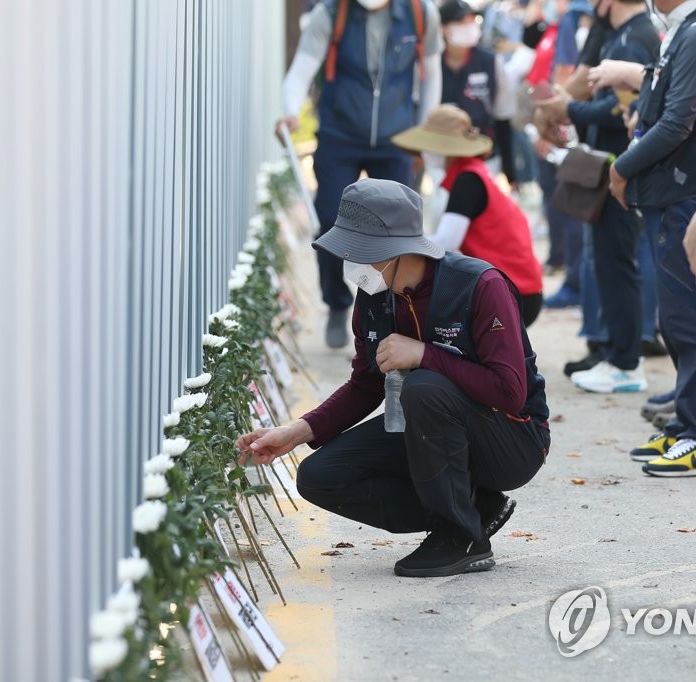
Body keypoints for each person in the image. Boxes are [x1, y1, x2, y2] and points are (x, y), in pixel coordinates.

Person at [236, 179, 551, 578]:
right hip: (432, 430)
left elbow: (510, 392)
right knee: (319, 477)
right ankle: (470, 508)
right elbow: (365, 383)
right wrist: (296, 433)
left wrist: (424, 355)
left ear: (396, 249)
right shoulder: (375, 295)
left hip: (513, 439)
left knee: (423, 387)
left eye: (358, 251)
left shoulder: (480, 285)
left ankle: (461, 537)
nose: (350, 263)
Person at [607, 0, 696, 476]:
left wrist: (622, 168)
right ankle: (692, 425)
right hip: (675, 192)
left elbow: (678, 122)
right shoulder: (691, 28)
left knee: (691, 321)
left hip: (686, 193)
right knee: (679, 319)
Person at [277, 0, 443, 349]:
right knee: (328, 221)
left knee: (399, 234)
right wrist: (291, 112)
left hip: (395, 139)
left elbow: (431, 73)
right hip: (340, 135)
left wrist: (423, 134)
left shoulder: (420, 13)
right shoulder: (331, 14)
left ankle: (390, 314)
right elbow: (301, 70)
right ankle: (337, 303)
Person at [535, 0, 660, 393]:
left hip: (621, 169)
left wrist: (568, 108)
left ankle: (625, 362)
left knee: (617, 266)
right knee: (606, 265)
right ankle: (614, 354)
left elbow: (620, 108)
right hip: (609, 168)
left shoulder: (634, 37)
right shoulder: (618, 35)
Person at [392, 105, 545, 326]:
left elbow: (445, 242)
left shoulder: (467, 181)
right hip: (519, 290)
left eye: (428, 145)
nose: (423, 153)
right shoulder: (473, 173)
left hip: (512, 296)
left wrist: (400, 242)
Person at [438, 0, 517, 183]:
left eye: (472, 21)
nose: (468, 27)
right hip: (442, 155)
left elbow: (503, 117)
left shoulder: (490, 62)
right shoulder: (433, 62)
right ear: (443, 28)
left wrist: (509, 170)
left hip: (483, 155)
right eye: (460, 23)